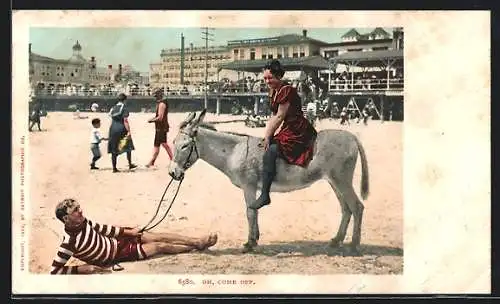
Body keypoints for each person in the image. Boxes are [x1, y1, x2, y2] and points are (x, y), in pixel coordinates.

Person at [50, 198, 218, 275]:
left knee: (154, 236)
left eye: (79, 207)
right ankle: (195, 246)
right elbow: (55, 271)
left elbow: (104, 229)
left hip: (117, 240)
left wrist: (129, 232)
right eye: (76, 211)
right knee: (159, 246)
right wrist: (83, 269)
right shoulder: (68, 243)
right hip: (118, 254)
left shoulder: (83, 221)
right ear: (66, 218)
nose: (81, 211)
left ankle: (196, 240)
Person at [248, 59, 318, 210]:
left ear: (278, 76)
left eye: (270, 78)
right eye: (265, 78)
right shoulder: (274, 90)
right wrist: (268, 133)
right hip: (288, 127)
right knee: (269, 144)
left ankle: (265, 195)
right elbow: (275, 117)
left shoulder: (286, 90)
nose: (267, 81)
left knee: (271, 151)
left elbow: (279, 116)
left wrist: (267, 136)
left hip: (297, 130)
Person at [107, 93, 137, 173]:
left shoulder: (113, 108)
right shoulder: (124, 108)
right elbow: (125, 121)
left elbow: (111, 119)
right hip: (121, 128)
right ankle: (130, 164)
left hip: (113, 128)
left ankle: (114, 168)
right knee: (128, 146)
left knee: (114, 149)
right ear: (125, 100)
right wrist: (129, 132)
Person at [146, 88, 173, 168]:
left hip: (161, 127)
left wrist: (151, 120)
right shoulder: (162, 103)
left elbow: (160, 118)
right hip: (160, 127)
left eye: (155, 95)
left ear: (158, 95)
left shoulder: (162, 104)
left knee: (163, 144)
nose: (155, 97)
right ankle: (152, 161)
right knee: (157, 144)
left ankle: (173, 159)